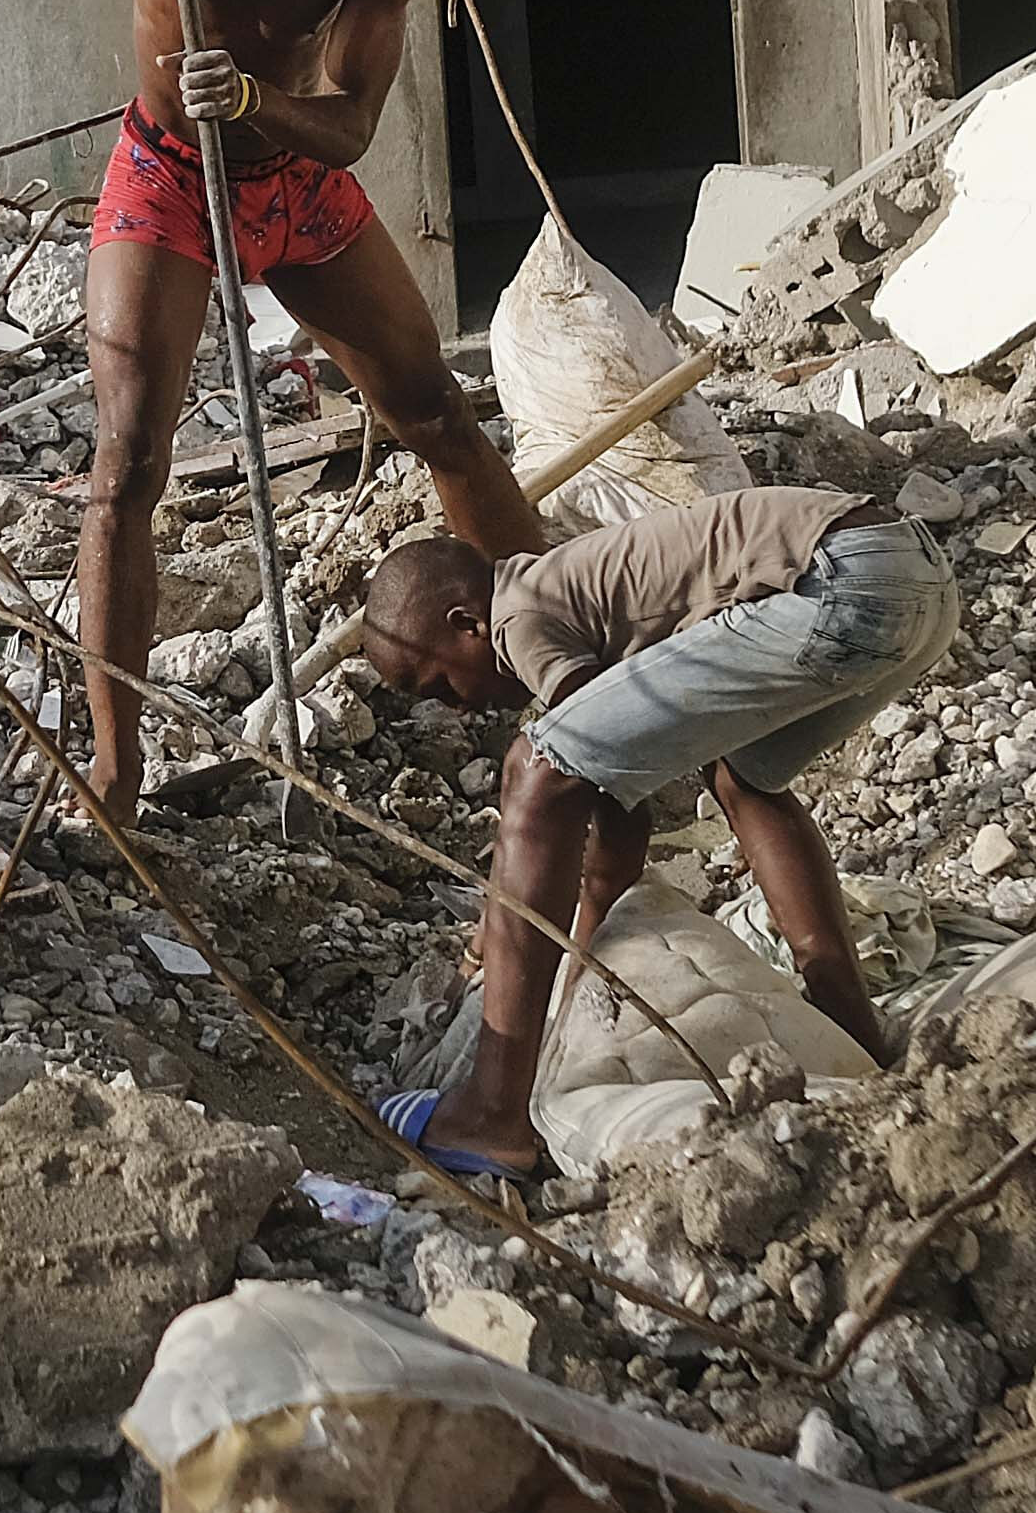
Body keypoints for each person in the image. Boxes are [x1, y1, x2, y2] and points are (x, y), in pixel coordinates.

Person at [0, 0, 545, 821]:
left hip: (299, 184)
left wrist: (258, 100)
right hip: (168, 177)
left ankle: (554, 656)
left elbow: (353, 121)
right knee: (129, 462)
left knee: (437, 417)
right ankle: (118, 767)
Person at [348, 484, 969, 1182]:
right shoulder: (565, 589)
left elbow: (592, 786)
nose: (457, 711)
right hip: (911, 576)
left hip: (839, 582)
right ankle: (852, 1030)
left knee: (536, 769)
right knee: (746, 782)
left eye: (439, 687)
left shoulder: (518, 617)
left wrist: (576, 922)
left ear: (466, 624)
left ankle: (493, 1113)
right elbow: (615, 778)